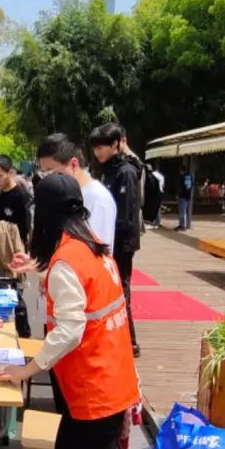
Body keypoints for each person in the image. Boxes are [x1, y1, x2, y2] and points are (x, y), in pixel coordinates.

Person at [0, 173, 142, 449]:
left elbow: (70, 329)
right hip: (106, 378)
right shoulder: (91, 245)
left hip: (96, 386)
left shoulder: (66, 261)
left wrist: (27, 370)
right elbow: (77, 289)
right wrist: (36, 266)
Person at [90, 123, 141, 357]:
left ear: (116, 144)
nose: (97, 152)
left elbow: (126, 215)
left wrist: (109, 244)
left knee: (121, 290)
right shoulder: (109, 170)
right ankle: (117, 338)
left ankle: (129, 342)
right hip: (109, 241)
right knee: (112, 290)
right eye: (95, 148)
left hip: (121, 243)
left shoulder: (126, 172)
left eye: (101, 147)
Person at [36, 134, 116, 247]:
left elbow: (97, 253)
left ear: (73, 164)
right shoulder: (62, 193)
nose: (48, 179)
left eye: (51, 171)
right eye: (44, 173)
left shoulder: (97, 198)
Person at [0, 154, 32, 245]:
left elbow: (23, 230)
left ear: (10, 173)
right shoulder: (0, 192)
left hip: (13, 251)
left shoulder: (21, 196)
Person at [175, 165, 193, 231]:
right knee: (183, 211)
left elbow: (181, 188)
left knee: (182, 211)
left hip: (183, 196)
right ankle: (181, 225)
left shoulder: (183, 177)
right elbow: (189, 187)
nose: (180, 172)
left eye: (180, 171)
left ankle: (183, 226)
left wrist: (177, 194)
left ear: (182, 170)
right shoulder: (189, 177)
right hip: (187, 195)